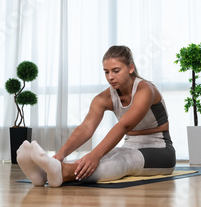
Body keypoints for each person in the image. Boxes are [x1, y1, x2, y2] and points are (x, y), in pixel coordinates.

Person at [17, 45, 176, 187]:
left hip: (160, 150)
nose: (110, 77)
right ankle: (45, 173)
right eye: (106, 72)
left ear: (130, 68)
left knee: (121, 160)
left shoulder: (145, 90)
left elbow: (124, 126)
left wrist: (95, 155)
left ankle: (62, 173)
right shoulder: (104, 98)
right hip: (129, 146)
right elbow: (86, 128)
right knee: (101, 157)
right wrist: (60, 155)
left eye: (116, 71)